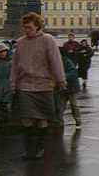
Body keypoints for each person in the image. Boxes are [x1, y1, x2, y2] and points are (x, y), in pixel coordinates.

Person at [10, 12, 66, 159]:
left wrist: (60, 80)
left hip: (44, 84)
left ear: (37, 26)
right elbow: (15, 64)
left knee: (43, 119)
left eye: (29, 27)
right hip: (26, 85)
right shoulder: (21, 42)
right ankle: (30, 147)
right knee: (26, 118)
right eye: (24, 28)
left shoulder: (48, 40)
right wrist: (13, 82)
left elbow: (55, 61)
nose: (26, 30)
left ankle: (41, 146)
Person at [55, 47, 82, 129]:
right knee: (60, 106)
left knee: (73, 105)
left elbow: (73, 73)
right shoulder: (55, 62)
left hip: (72, 88)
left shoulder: (67, 62)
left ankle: (78, 120)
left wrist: (62, 77)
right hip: (63, 89)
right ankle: (59, 122)